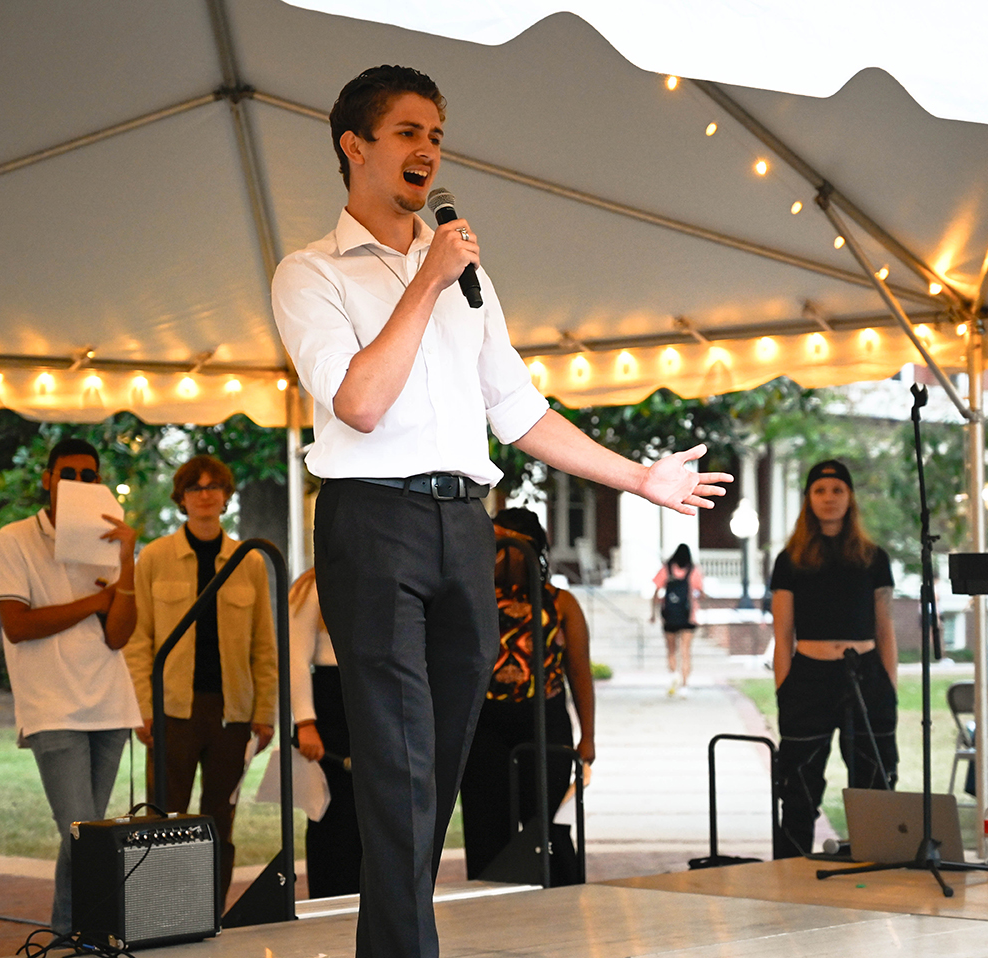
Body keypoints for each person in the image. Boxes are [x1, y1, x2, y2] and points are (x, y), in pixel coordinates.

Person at [270, 65, 730, 958]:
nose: (428, 150)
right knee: (403, 762)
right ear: (354, 147)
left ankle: (387, 941)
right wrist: (426, 282)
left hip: (464, 524)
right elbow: (359, 402)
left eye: (437, 134)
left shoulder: (465, 278)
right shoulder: (311, 273)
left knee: (425, 770)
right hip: (370, 523)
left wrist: (639, 479)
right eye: (408, 133)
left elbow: (518, 411)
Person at [0, 437, 143, 934]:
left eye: (89, 475)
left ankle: (76, 937)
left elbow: (119, 635)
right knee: (80, 833)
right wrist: (92, 604)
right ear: (48, 479)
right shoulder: (14, 538)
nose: (79, 483)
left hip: (110, 705)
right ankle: (73, 938)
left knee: (88, 837)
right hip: (52, 707)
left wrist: (128, 558)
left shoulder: (104, 542)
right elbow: (18, 624)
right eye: (69, 474)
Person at [122, 454, 276, 903]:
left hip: (233, 713)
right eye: (195, 487)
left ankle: (209, 911)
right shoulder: (154, 558)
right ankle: (159, 909)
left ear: (226, 497)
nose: (205, 495)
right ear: (182, 499)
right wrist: (144, 710)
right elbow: (139, 641)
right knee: (163, 819)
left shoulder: (247, 561)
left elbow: (264, 646)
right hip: (173, 711)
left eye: (214, 487)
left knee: (219, 822)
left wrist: (264, 713)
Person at [768, 459, 898, 859]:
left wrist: (889, 685)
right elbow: (783, 634)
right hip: (808, 678)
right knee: (800, 786)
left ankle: (877, 863)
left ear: (850, 497)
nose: (829, 498)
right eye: (820, 491)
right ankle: (789, 873)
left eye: (837, 490)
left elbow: (885, 628)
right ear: (808, 499)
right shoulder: (789, 560)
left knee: (875, 780)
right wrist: (784, 689)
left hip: (865, 675)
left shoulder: (874, 557)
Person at [460, 508, 595, 886]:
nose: (496, 552)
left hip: (543, 717)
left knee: (539, 823)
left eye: (506, 543)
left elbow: (579, 672)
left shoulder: (560, 602)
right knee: (487, 824)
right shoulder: (474, 595)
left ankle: (549, 898)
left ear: (528, 548)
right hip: (485, 722)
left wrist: (589, 735)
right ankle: (491, 899)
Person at [288, 567, 363, 899]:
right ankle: (330, 897)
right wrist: (306, 722)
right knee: (332, 817)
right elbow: (295, 660)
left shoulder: (389, 575)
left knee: (371, 815)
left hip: (374, 699)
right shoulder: (313, 587)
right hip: (330, 706)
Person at [651, 543, 704, 698]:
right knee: (686, 651)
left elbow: (656, 590)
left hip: (670, 616)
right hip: (688, 617)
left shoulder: (666, 569)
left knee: (671, 650)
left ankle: (674, 675)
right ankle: (685, 685)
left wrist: (653, 613)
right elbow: (699, 591)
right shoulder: (693, 570)